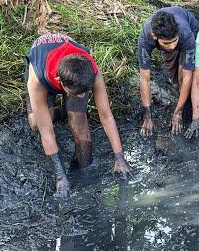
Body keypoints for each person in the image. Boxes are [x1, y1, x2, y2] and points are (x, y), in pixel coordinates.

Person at [25, 32, 132, 198]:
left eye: (85, 93)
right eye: (78, 94)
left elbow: (106, 116)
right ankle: (60, 111)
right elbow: (46, 132)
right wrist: (60, 176)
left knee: (79, 122)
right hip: (45, 66)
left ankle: (84, 167)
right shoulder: (37, 79)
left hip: (75, 73)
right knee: (36, 123)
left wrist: (120, 157)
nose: (83, 97)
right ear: (60, 80)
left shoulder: (92, 72)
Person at [137, 6, 199, 137]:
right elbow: (144, 78)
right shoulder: (146, 37)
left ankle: (185, 109)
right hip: (170, 37)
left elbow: (188, 76)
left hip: (191, 29)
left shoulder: (186, 34)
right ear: (155, 37)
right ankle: (183, 100)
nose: (171, 46)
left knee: (183, 74)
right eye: (166, 43)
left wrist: (178, 113)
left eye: (173, 41)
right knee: (175, 81)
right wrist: (147, 116)